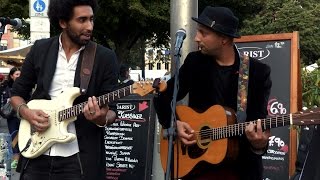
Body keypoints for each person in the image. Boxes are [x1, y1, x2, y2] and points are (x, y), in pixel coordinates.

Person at [154, 6, 272, 180]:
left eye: (203, 33)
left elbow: (258, 124)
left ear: (223, 39)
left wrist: (259, 143)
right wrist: (174, 124)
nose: (196, 38)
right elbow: (163, 95)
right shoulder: (195, 63)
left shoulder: (257, 72)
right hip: (198, 166)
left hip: (239, 170)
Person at [10, 0, 119, 179]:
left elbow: (111, 112)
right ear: (63, 22)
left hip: (79, 159)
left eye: (91, 19)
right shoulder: (40, 49)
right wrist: (28, 113)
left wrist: (101, 118)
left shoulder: (105, 57)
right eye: (82, 20)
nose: (89, 26)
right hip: (36, 153)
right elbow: (17, 95)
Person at [0, 67, 21, 169]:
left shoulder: (24, 86)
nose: (19, 76)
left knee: (23, 136)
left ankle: (21, 159)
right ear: (12, 76)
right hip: (11, 116)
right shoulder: (6, 86)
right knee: (13, 136)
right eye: (17, 74)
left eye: (20, 75)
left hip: (22, 116)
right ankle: (16, 159)